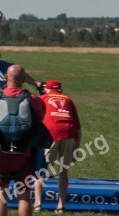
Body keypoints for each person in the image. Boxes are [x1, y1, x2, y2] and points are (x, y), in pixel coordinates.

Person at [0, 64, 48, 216]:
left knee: (1, 193)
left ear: (6, 78)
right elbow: (40, 119)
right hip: (24, 153)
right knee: (24, 194)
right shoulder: (33, 99)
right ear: (24, 80)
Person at [33, 80, 81, 213]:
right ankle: (61, 205)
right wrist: (77, 147)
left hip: (51, 133)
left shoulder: (42, 98)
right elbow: (78, 127)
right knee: (63, 171)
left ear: (47, 89)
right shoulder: (68, 99)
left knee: (41, 170)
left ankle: (37, 204)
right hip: (69, 133)